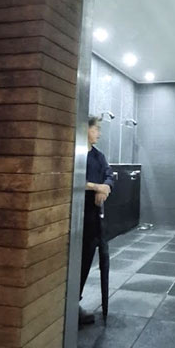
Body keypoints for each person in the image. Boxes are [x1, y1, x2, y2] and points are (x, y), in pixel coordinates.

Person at [79, 116, 114, 326]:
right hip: (76, 214)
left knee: (86, 260)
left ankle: (75, 301)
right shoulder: (76, 154)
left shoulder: (98, 156)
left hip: (93, 218)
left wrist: (106, 187)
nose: (99, 133)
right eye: (96, 129)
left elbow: (109, 175)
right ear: (85, 129)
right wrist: (96, 186)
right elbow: (73, 179)